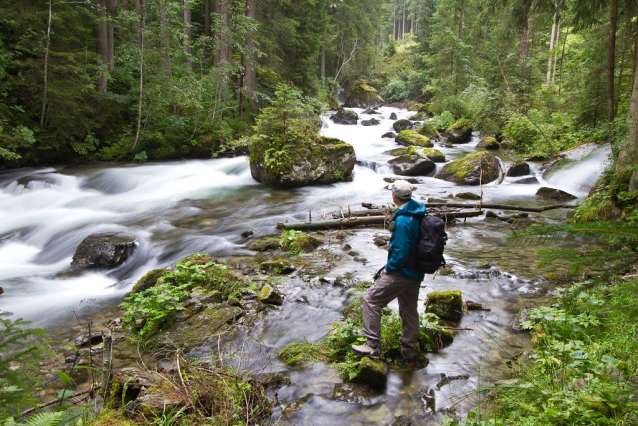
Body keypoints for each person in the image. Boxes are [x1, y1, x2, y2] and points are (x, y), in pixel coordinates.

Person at [350, 179, 427, 366]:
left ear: (394, 196)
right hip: (416, 271)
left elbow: (400, 251)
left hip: (402, 272)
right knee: (409, 311)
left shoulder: (403, 219)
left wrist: (389, 270)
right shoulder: (418, 212)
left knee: (371, 300)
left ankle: (372, 345)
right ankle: (408, 352)